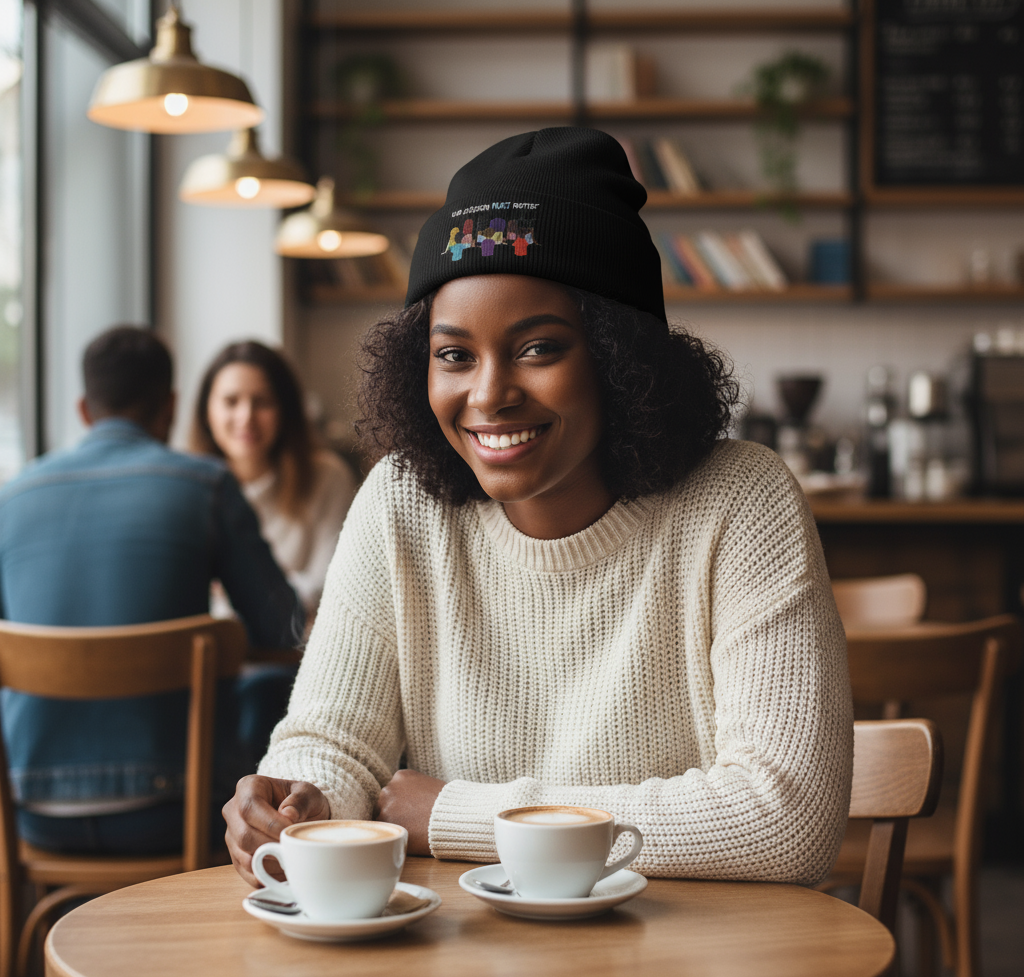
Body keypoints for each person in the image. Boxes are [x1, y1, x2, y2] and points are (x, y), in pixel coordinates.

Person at [224, 127, 852, 886]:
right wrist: (300, 798)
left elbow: (784, 820)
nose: (488, 396)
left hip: (692, 975)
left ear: (620, 359)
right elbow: (334, 735)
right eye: (454, 355)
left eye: (538, 348)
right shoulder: (400, 501)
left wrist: (461, 816)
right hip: (468, 974)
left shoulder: (740, 500)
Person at [0, 327, 303, 854]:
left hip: (31, 810)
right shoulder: (206, 485)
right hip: (176, 809)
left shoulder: (11, 498)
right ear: (169, 406)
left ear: (83, 410)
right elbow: (282, 628)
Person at [191, 341, 358, 616]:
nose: (246, 417)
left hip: (295, 654)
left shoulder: (328, 477)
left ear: (286, 410)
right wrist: (281, 589)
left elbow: (330, 586)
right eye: (231, 402)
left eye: (262, 402)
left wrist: (234, 590)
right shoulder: (189, 487)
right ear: (207, 412)